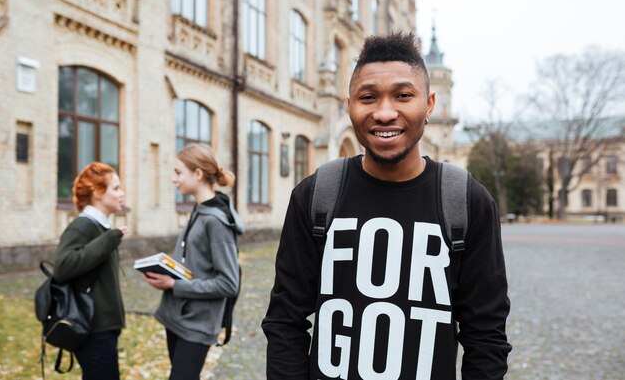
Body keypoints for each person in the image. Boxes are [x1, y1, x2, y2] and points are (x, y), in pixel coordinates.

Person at [262, 32, 512, 380]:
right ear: (349, 104)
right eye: (368, 97)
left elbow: (485, 336)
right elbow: (285, 321)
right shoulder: (316, 195)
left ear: (429, 104)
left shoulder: (467, 201)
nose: (384, 113)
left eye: (403, 95)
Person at [143, 143, 243, 380]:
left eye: (178, 172)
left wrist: (173, 285)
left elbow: (229, 283)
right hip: (176, 318)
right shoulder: (198, 209)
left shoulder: (216, 221)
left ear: (198, 174)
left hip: (197, 325)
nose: (173, 178)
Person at [53, 162, 128, 380]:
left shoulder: (100, 226)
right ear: (97, 192)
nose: (121, 193)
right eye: (115, 188)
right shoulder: (84, 225)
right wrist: (108, 240)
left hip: (103, 328)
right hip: (93, 329)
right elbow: (63, 267)